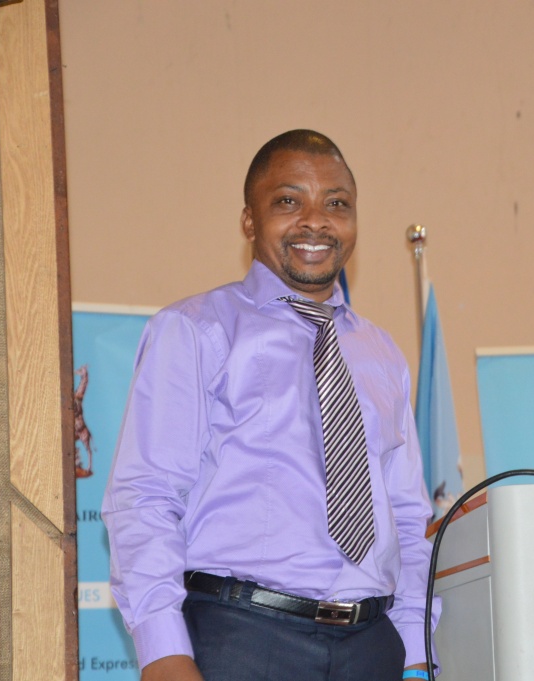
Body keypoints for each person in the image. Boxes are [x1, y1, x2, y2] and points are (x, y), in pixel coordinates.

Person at [102, 130, 440, 681]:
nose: (316, 221)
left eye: (337, 204)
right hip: (244, 639)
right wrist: (163, 652)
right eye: (288, 201)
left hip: (374, 647)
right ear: (249, 220)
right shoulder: (195, 330)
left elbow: (406, 517)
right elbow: (146, 495)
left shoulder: (382, 353)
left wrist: (416, 651)